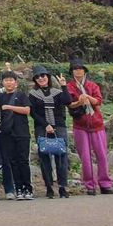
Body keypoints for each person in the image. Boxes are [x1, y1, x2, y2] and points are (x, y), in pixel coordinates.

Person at [66, 60, 113, 196]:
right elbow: (69, 104)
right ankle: (89, 185)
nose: (78, 71)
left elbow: (98, 101)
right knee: (85, 157)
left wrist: (88, 97)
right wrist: (79, 102)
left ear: (85, 71)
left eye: (80, 68)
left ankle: (105, 184)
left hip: (96, 123)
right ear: (72, 72)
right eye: (75, 69)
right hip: (80, 124)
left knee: (101, 155)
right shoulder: (70, 86)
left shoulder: (92, 85)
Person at [0, 70, 33, 200]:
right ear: (3, 83)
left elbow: (27, 110)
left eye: (11, 80)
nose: (9, 82)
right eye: (6, 80)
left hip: (22, 132)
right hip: (7, 133)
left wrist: (9, 107)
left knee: (23, 161)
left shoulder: (22, 95)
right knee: (12, 161)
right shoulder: (1, 96)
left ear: (16, 83)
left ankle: (27, 188)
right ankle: (18, 188)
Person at [28, 66, 72, 199]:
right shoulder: (33, 94)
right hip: (42, 127)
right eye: (38, 76)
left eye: (43, 75)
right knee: (44, 157)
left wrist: (64, 86)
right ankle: (48, 187)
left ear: (48, 77)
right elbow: (33, 112)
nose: (41, 78)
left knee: (61, 156)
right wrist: (46, 125)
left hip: (59, 125)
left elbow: (67, 101)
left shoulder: (58, 92)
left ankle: (62, 187)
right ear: (35, 80)